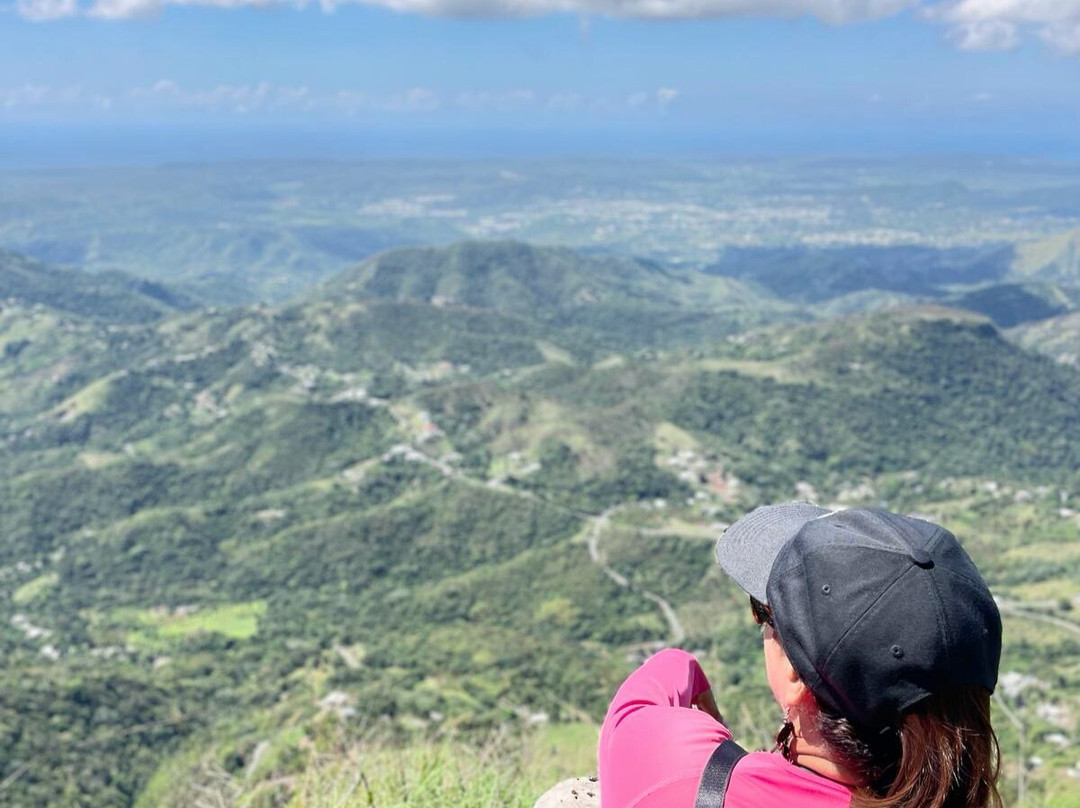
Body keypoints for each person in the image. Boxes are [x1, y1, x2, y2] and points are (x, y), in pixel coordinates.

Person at [597, 505, 1003, 808]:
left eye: (765, 615)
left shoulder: (686, 778)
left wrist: (697, 684)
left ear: (796, 673)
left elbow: (638, 704)